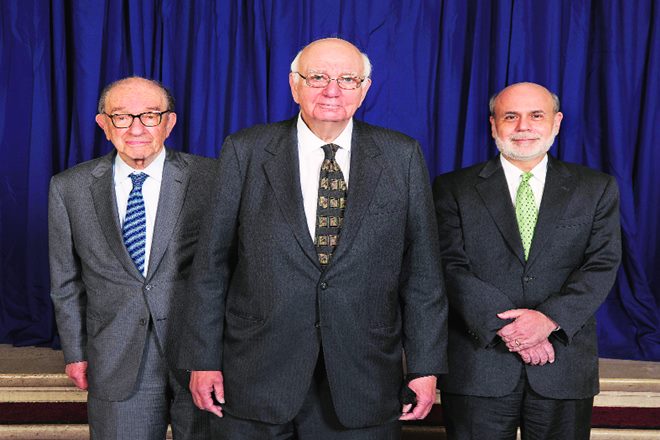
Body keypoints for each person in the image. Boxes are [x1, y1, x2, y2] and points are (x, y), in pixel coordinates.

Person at [177, 37, 448, 439]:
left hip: (362, 375)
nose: (332, 90)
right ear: (294, 85)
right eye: (318, 77)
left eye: (347, 79)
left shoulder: (401, 156)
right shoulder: (245, 150)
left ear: (364, 89)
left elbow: (423, 272)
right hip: (255, 371)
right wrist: (203, 358)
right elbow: (211, 265)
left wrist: (425, 366)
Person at [433, 82, 622, 440]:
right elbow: (448, 265)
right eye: (510, 117)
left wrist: (548, 320)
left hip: (563, 365)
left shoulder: (595, 188)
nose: (523, 127)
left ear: (556, 122)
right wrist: (510, 328)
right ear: (493, 125)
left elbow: (602, 264)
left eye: (536, 115)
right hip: (479, 366)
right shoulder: (452, 188)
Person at [48, 76, 215, 439]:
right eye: (122, 117)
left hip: (201, 358)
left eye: (150, 116)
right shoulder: (69, 188)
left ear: (169, 122)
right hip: (116, 356)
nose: (136, 128)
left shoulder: (212, 178)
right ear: (103, 124)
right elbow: (65, 283)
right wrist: (75, 352)